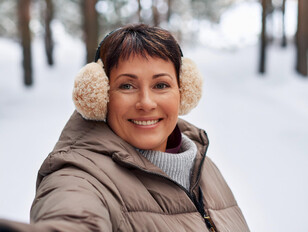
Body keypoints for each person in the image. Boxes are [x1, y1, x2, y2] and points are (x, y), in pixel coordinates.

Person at [0, 24, 250, 232]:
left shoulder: (201, 164)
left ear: (184, 91)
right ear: (100, 97)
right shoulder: (80, 175)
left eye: (161, 85)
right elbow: (74, 220)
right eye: (127, 86)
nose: (146, 103)